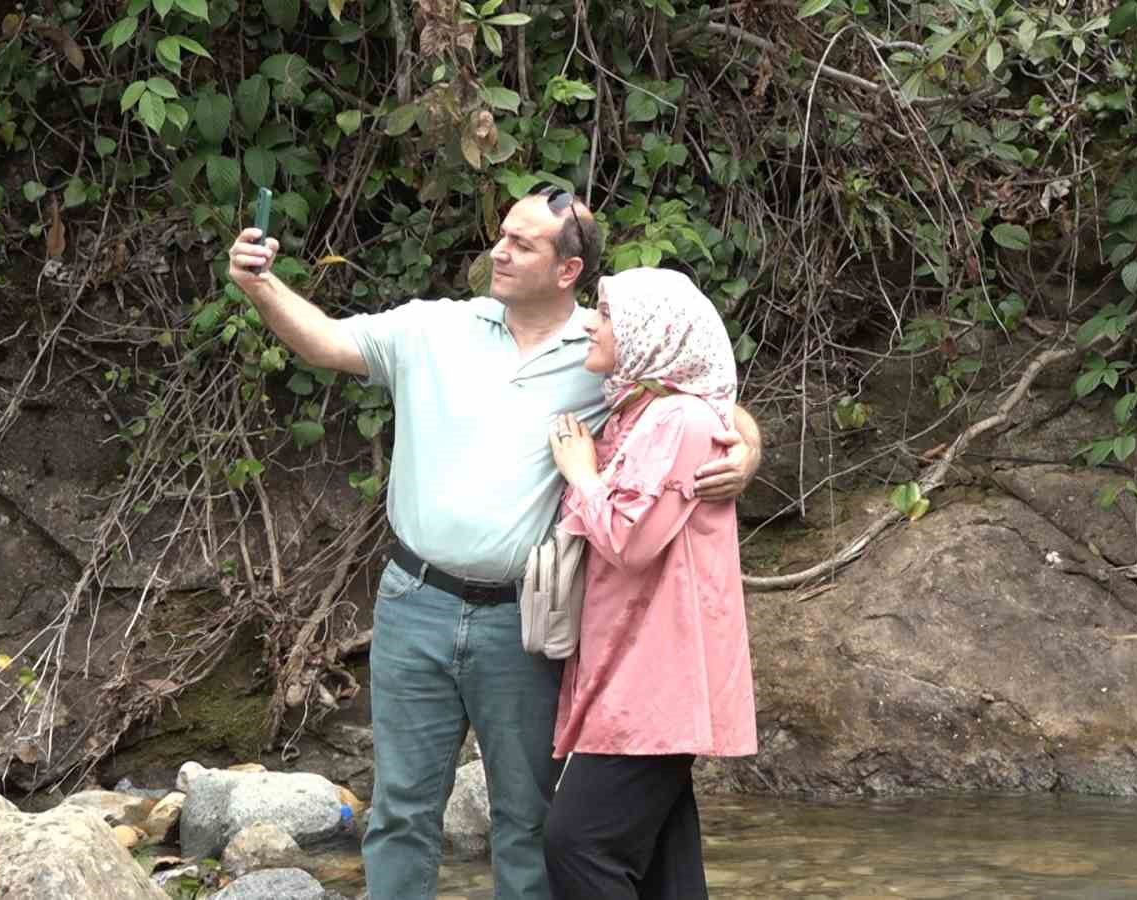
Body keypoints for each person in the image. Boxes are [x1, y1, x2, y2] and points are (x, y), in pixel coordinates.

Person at [225, 187, 762, 900]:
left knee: (527, 818)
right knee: (400, 812)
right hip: (414, 601)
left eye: (522, 242)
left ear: (567, 270)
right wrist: (260, 284)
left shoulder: (606, 349)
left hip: (524, 620)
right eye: (500, 235)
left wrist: (747, 448)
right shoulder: (434, 329)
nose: (498, 252)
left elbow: (698, 396)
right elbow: (325, 340)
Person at [542, 267, 759, 900]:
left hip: (655, 678)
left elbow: (629, 542)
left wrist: (581, 473)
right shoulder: (636, 412)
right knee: (667, 865)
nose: (590, 321)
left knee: (578, 844)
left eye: (606, 315)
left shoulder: (679, 421)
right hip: (634, 669)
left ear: (650, 335)